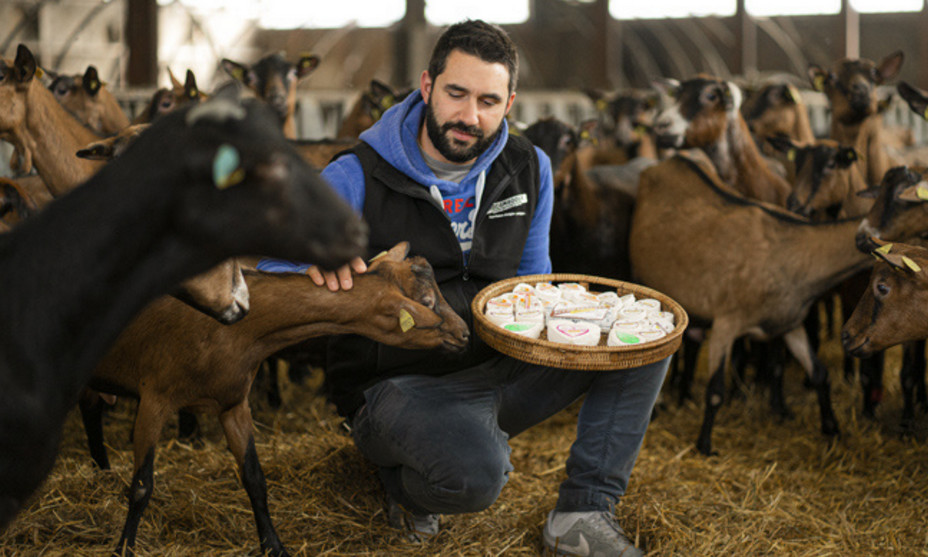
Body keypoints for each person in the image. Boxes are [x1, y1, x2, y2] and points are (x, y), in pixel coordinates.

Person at [258, 19, 669, 556]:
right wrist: (318, 264)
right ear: (427, 86)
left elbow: (533, 283)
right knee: (475, 476)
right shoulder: (358, 174)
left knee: (649, 334)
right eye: (456, 94)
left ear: (509, 103)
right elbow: (269, 264)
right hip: (397, 383)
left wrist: (589, 324)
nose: (470, 117)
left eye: (488, 101)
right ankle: (403, 483)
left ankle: (583, 510)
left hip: (501, 358)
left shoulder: (530, 168)